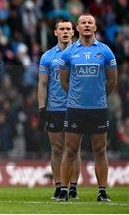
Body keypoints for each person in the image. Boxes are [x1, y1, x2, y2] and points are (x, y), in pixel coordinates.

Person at [58, 13, 117, 202]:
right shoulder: (69, 53)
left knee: (100, 150)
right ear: (77, 27)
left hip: (98, 109)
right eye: (83, 23)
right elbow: (64, 81)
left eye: (90, 23)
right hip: (75, 109)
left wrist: (98, 97)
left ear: (95, 28)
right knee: (70, 151)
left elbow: (112, 81)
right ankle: (64, 191)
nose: (86, 25)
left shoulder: (106, 51)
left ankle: (101, 191)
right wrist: (77, 97)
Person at [37, 20, 81, 200]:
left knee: (74, 150)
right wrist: (41, 106)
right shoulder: (47, 56)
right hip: (54, 108)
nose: (65, 32)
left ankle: (73, 187)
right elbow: (42, 84)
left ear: (73, 32)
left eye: (68, 29)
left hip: (76, 107)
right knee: (56, 149)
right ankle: (58, 185)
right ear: (55, 32)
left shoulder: (80, 54)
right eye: (61, 29)